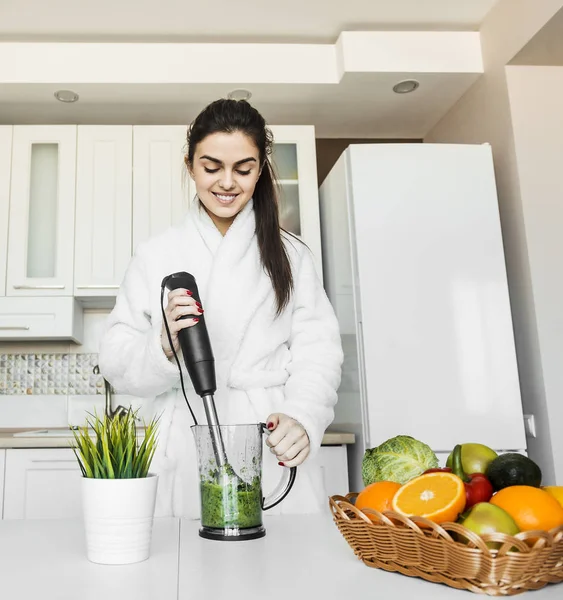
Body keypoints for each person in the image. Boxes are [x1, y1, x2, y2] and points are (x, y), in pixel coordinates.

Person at [98, 99, 343, 518]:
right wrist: (163, 346)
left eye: (243, 169)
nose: (227, 182)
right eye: (211, 167)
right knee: (186, 577)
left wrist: (302, 416)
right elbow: (115, 362)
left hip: (267, 439)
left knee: (280, 575)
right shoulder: (156, 254)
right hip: (184, 442)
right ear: (190, 165)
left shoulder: (292, 255)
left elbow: (318, 352)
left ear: (260, 169)